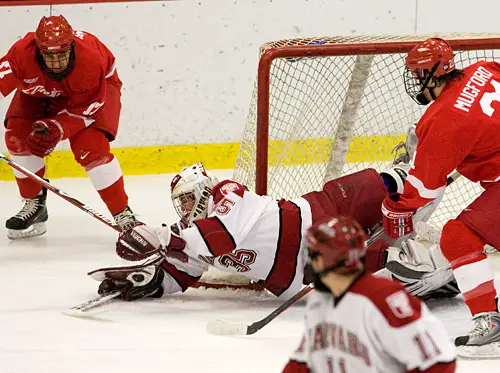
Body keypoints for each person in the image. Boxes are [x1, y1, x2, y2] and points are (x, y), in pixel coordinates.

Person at [90, 160, 457, 302]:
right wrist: (151, 280)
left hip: (318, 214)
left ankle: (417, 169)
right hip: (304, 276)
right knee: (390, 269)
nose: (185, 210)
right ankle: (434, 271)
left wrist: (160, 235)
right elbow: (184, 270)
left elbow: (223, 235)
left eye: (188, 199)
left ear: (204, 188)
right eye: (180, 204)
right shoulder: (193, 234)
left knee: (374, 186)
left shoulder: (226, 194)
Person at [381, 37, 500, 357]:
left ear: (432, 74)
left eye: (418, 74)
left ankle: (490, 326)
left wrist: (394, 209)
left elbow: (423, 189)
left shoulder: (441, 119)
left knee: (458, 237)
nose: (415, 81)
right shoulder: (483, 70)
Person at [0, 15, 135, 239]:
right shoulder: (21, 53)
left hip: (92, 93)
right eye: (48, 55)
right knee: (17, 137)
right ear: (37, 48)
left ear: (71, 46)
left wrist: (57, 127)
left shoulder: (90, 62)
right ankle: (34, 204)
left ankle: (123, 213)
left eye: (61, 54)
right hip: (40, 91)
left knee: (91, 148)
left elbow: (85, 111)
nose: (56, 62)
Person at [281, 216, 456, 373]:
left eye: (313, 254)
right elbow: (302, 364)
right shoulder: (319, 302)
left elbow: (439, 362)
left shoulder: (384, 299)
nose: (309, 260)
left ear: (323, 260)